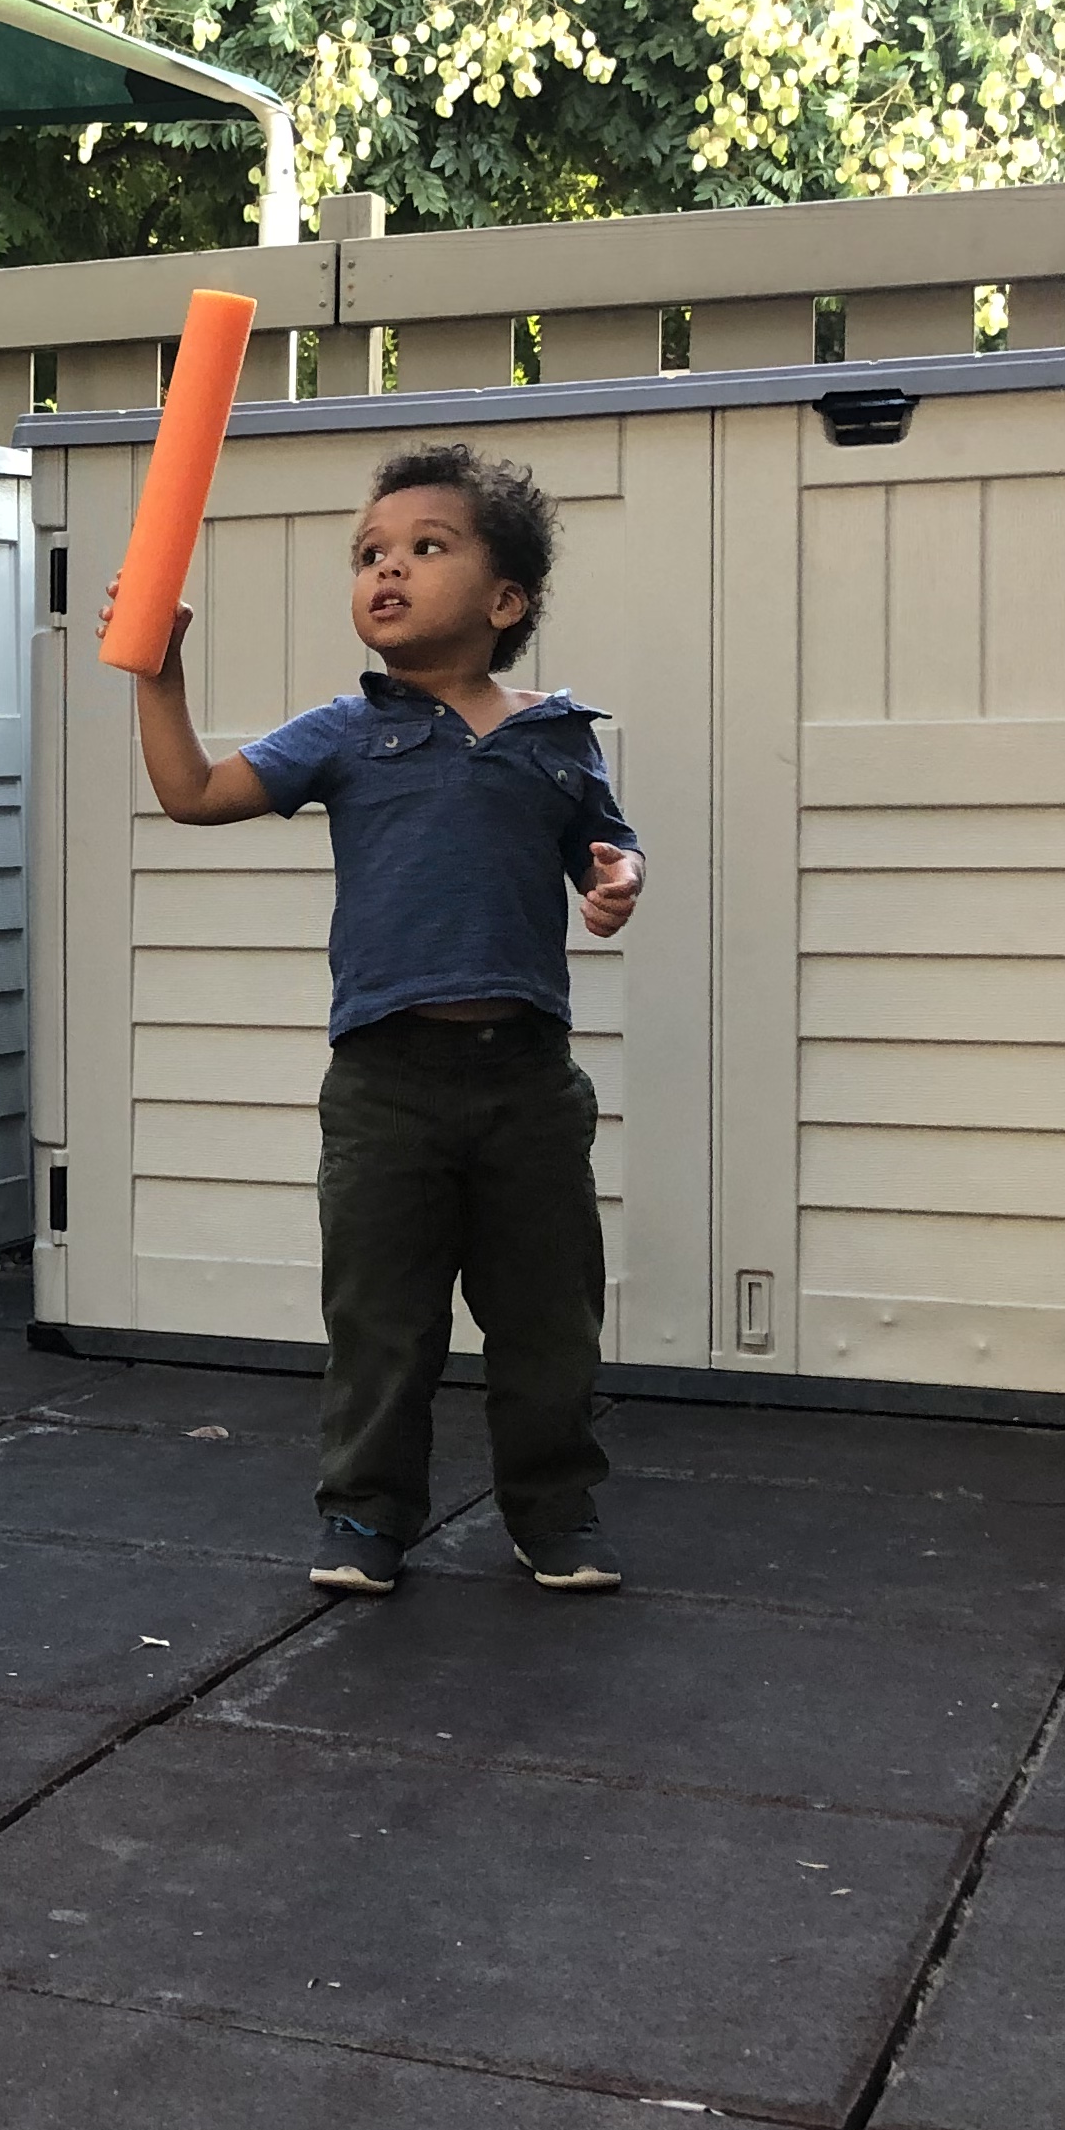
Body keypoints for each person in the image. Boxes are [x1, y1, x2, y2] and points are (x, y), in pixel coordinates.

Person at [109, 440, 643, 1600]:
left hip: (529, 1082)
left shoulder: (557, 735)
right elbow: (192, 795)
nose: (386, 569)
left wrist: (617, 878)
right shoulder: (344, 732)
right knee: (380, 1320)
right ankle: (364, 1516)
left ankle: (555, 1512)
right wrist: (159, 673)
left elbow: (607, 844)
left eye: (425, 547)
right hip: (386, 1084)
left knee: (549, 1319)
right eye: (368, 555)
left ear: (505, 602)